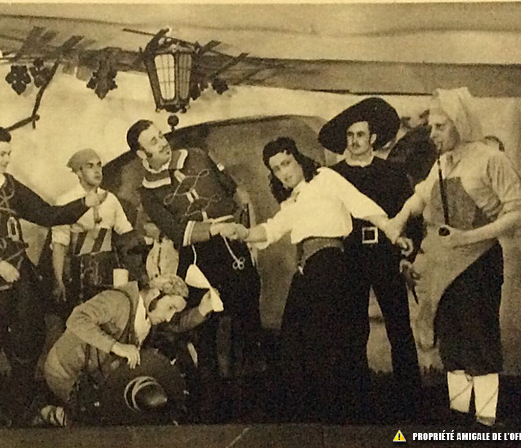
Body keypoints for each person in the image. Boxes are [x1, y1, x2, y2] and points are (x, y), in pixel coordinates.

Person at [214, 137, 401, 424]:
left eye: (287, 163)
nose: (284, 172)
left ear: (299, 159)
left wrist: (392, 230)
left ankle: (341, 415)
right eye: (277, 169)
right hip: (308, 268)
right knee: (293, 339)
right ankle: (310, 417)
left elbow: (359, 203)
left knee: (323, 339)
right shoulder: (292, 200)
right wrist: (244, 233)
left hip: (330, 262)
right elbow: (273, 229)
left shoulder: (325, 177)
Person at [388, 88, 521, 427]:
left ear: (461, 124)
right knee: (451, 342)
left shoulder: (489, 159)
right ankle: (458, 416)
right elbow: (420, 198)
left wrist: (468, 237)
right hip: (443, 266)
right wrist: (397, 220)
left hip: (478, 264)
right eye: (432, 127)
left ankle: (485, 420)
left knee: (478, 340)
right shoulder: (442, 162)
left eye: (440, 127)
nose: (433, 134)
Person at [0, 124, 106, 426]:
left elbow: (46, 214)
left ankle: (19, 409)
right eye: (2, 153)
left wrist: (84, 203)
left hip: (20, 276)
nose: (8, 159)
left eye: (9, 153)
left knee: (30, 338)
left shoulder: (10, 185)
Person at [125, 119, 263, 422]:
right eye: (153, 141)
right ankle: (209, 412)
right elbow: (177, 232)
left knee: (247, 323)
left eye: (160, 135)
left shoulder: (197, 156)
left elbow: (235, 192)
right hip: (198, 261)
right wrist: (214, 228)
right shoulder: (148, 193)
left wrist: (247, 232)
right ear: (141, 154)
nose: (162, 142)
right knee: (205, 333)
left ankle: (253, 408)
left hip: (234, 248)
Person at [319, 97, 422, 421]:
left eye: (360, 135)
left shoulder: (393, 173)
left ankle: (410, 401)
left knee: (399, 326)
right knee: (352, 329)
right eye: (350, 135)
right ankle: (356, 402)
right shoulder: (333, 176)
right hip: (350, 257)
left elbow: (413, 218)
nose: (354, 141)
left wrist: (409, 252)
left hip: (386, 256)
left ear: (373, 138)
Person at [43, 274, 218, 425]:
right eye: (170, 307)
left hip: (92, 375)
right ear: (155, 293)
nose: (168, 317)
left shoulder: (149, 310)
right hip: (64, 371)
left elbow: (176, 324)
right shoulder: (118, 301)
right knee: (93, 428)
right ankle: (51, 413)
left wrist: (202, 309)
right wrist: (116, 346)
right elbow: (76, 318)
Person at [51, 148, 135, 309]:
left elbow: (126, 232)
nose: (97, 170)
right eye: (90, 166)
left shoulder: (111, 199)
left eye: (99, 165)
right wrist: (58, 280)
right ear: (78, 172)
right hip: (79, 273)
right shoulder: (66, 200)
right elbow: (59, 244)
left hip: (108, 271)